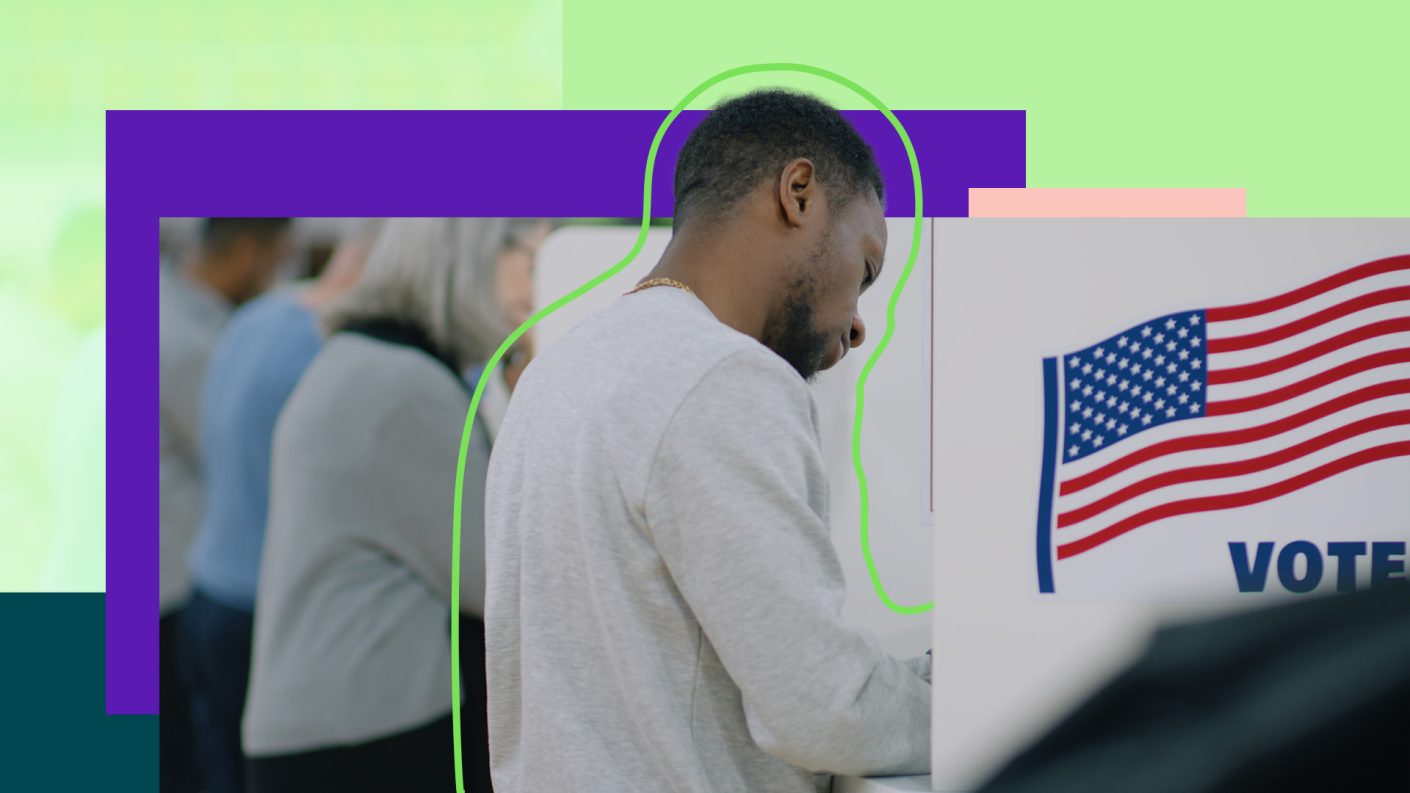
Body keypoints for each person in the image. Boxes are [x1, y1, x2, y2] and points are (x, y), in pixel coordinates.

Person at [483, 89, 932, 793]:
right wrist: (978, 713)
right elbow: (823, 706)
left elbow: (672, 667)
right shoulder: (724, 375)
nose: (856, 324)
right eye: (865, 270)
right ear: (799, 192)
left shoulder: (560, 370)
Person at [242, 217, 552, 792]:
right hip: (365, 731)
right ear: (471, 257)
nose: (534, 293)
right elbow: (502, 578)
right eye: (529, 263)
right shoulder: (406, 388)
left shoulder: (367, 361)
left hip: (334, 720)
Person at [179, 220, 379, 793]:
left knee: (218, 769)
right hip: (264, 605)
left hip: (208, 590)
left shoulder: (251, 320)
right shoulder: (333, 351)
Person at [160, 217, 292, 791]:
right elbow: (232, 449)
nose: (279, 274)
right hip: (175, 583)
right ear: (245, 252)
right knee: (192, 758)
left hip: (176, 576)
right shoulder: (187, 344)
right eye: (278, 258)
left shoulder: (167, 309)